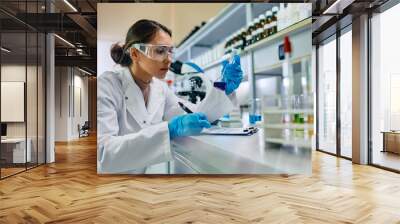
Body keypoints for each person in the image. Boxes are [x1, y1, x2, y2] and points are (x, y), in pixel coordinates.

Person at [97, 19, 243, 173]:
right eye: (160, 51)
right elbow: (104, 153)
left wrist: (223, 88)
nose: (169, 60)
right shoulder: (108, 85)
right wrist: (169, 130)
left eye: (170, 51)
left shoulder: (160, 89)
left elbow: (197, 116)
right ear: (135, 54)